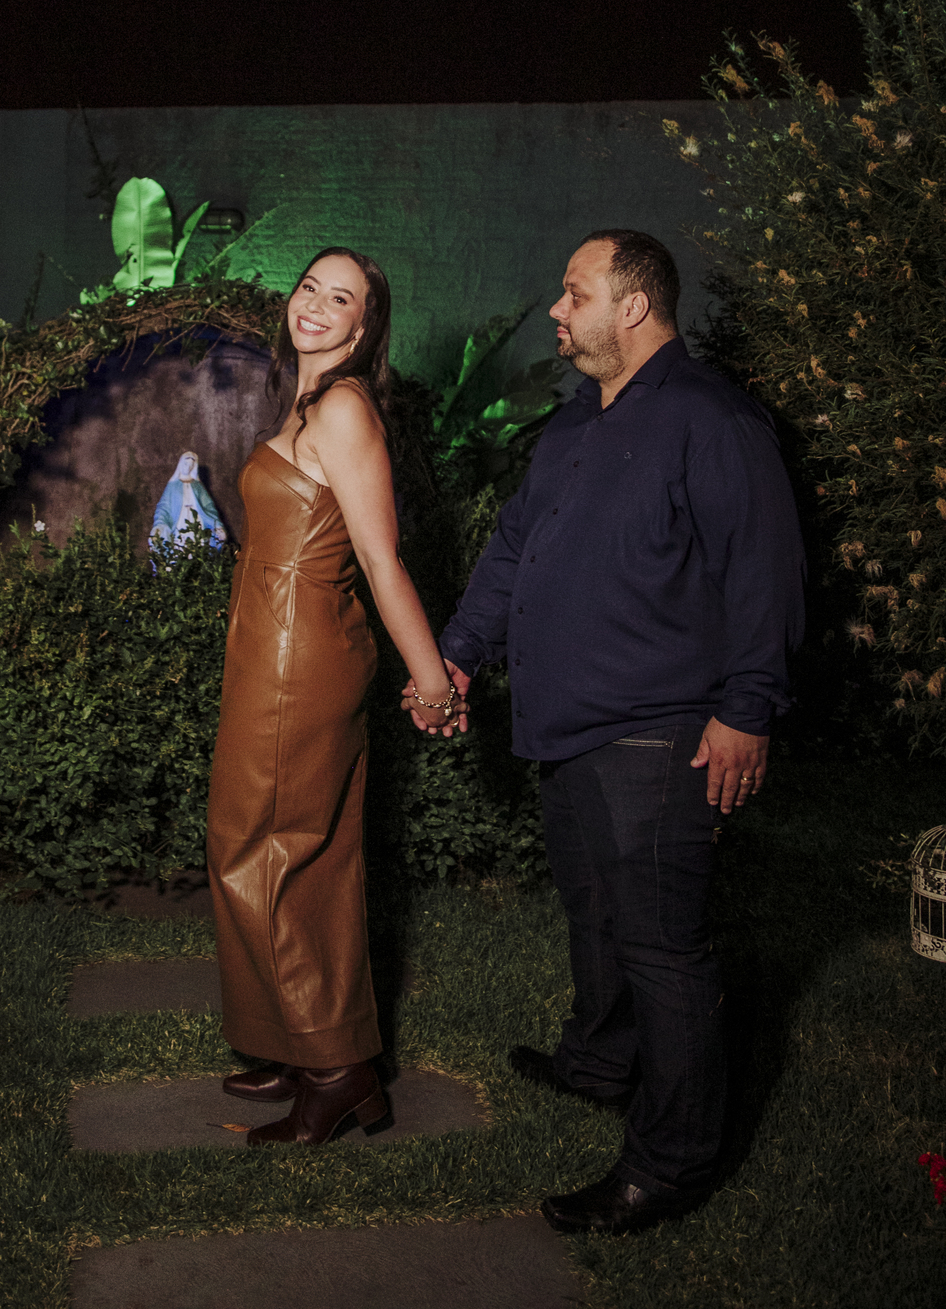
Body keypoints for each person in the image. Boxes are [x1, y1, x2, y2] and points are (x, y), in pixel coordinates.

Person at [411, 229, 804, 1233]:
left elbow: (763, 572)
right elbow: (514, 548)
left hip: (658, 730)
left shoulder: (712, 419)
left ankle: (671, 1163)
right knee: (594, 911)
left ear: (633, 306)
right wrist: (459, 654)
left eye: (574, 292)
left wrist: (746, 710)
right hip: (567, 721)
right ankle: (599, 1062)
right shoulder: (576, 422)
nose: (556, 309)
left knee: (664, 945)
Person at [207, 246, 466, 1146]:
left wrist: (433, 683)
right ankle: (301, 1040)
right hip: (275, 639)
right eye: (309, 287)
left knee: (266, 849)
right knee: (294, 847)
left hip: (298, 654)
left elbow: (381, 559)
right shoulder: (308, 397)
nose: (314, 304)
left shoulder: (346, 407)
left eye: (341, 298)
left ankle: (336, 1070)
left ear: (364, 327)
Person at [150, 450, 227, 551]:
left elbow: (209, 506)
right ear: (181, 464)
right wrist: (160, 524)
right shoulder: (172, 486)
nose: (188, 467)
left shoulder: (198, 486)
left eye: (191, 465)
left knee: (200, 547)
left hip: (198, 523)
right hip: (179, 524)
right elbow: (164, 507)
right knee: (178, 547)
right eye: (186, 464)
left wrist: (217, 525)